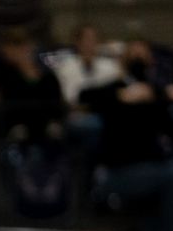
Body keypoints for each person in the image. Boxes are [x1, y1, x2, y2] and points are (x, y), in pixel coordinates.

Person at [81, 39, 173, 231]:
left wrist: (167, 98)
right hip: (119, 171)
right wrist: (121, 95)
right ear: (124, 60)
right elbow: (84, 96)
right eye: (133, 54)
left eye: (143, 55)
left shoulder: (156, 93)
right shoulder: (115, 89)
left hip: (155, 166)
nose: (138, 59)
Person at [0, 27, 67, 149]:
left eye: (25, 47)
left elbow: (55, 100)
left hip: (42, 121)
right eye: (16, 47)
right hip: (10, 122)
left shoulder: (46, 76)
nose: (24, 52)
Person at [47, 24, 121, 153]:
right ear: (77, 42)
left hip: (107, 114)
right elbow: (70, 99)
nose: (90, 43)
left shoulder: (111, 66)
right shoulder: (65, 67)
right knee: (95, 126)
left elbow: (117, 92)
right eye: (86, 39)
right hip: (77, 116)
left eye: (94, 39)